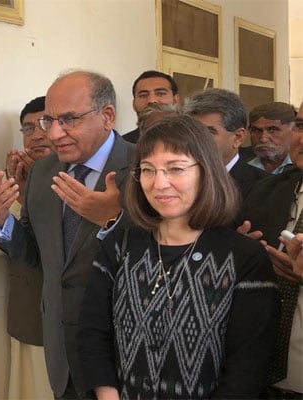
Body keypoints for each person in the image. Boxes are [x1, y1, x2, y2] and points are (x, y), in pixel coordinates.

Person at [78, 115, 279, 399]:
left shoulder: (243, 257)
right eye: (148, 170)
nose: (159, 183)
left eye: (176, 168)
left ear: (206, 172)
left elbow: (247, 368)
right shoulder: (120, 245)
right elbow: (93, 332)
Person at [0, 70, 134, 399]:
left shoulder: (143, 167)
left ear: (107, 116)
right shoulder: (43, 171)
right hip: (61, 353)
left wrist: (112, 219)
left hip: (124, 352)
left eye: (68, 119)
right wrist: (1, 219)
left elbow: (170, 253)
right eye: (49, 121)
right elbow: (35, 253)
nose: (53, 134)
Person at [0, 96, 53, 399]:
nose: (36, 135)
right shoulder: (13, 178)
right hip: (31, 311)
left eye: (44, 124)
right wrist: (9, 205)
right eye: (28, 128)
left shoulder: (80, 172)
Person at [240, 102, 303, 397]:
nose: (302, 138)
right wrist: (239, 252)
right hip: (262, 379)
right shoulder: (265, 190)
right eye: (301, 126)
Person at [183, 88, 267, 196]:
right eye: (191, 131)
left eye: (208, 132)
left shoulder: (265, 188)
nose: (195, 139)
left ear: (238, 137)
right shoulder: (172, 180)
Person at [122, 70, 180, 143]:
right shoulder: (122, 145)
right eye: (143, 95)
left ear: (176, 100)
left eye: (160, 93)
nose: (152, 100)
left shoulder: (192, 139)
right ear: (134, 104)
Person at [247, 101, 296, 174]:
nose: (263, 139)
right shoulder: (237, 165)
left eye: (272, 130)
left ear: (293, 131)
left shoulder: (299, 165)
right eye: (256, 130)